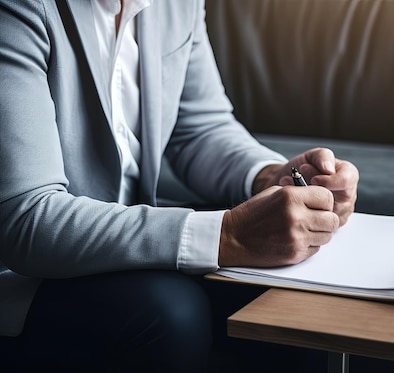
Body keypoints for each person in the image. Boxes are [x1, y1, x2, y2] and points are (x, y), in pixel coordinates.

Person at [0, 0, 358, 371]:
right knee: (171, 313)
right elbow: (26, 215)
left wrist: (271, 178)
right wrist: (229, 236)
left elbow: (198, 128)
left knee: (288, 298)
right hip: (19, 277)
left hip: (119, 242)